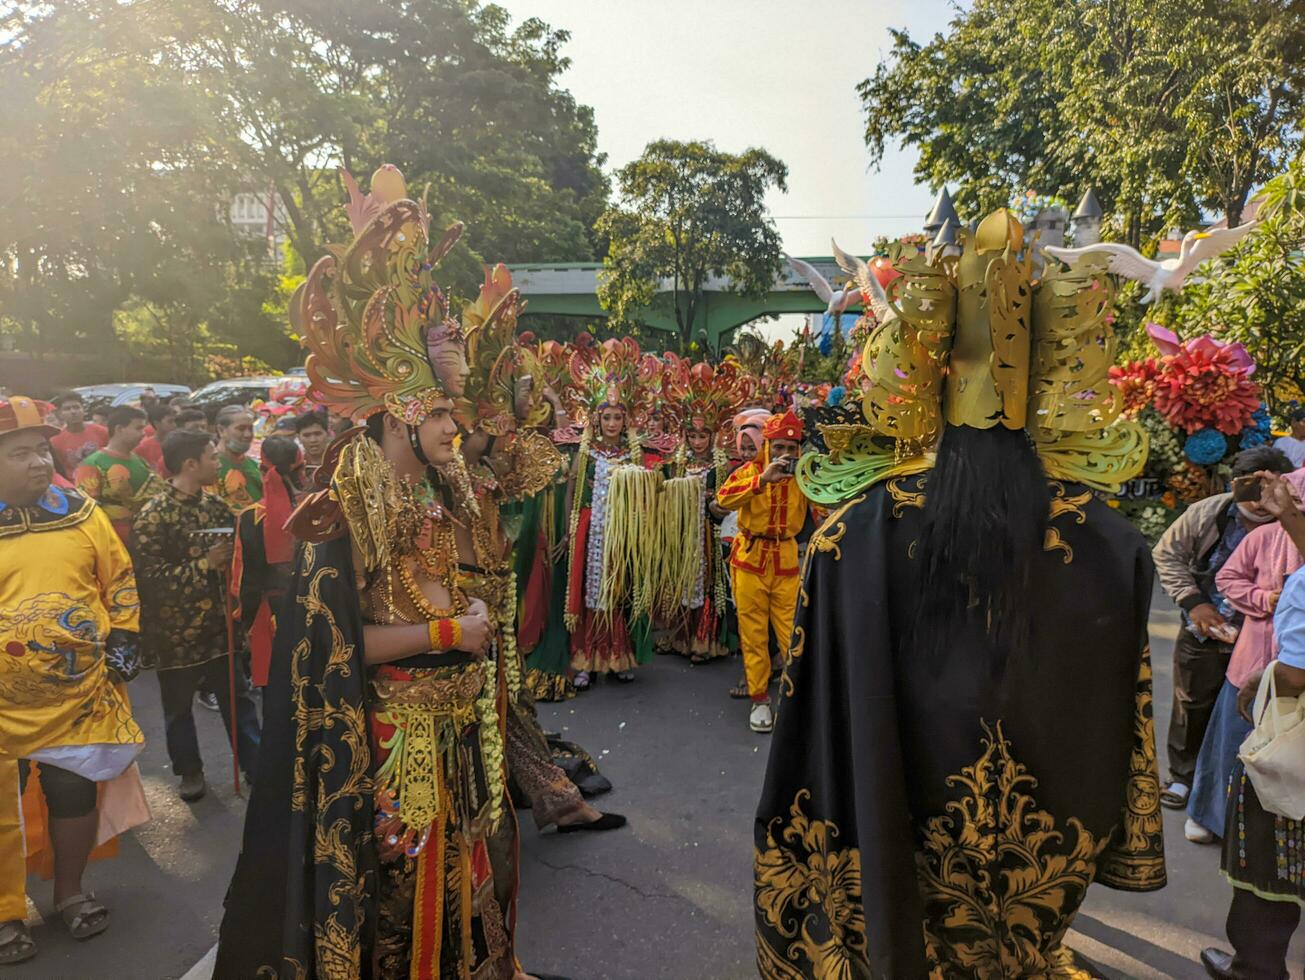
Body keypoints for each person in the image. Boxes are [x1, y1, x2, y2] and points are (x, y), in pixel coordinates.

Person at [755, 211, 1165, 976]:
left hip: (897, 830)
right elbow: (1121, 710)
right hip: (1039, 863)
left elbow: (816, 717)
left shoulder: (854, 535)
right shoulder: (1107, 540)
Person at [216, 167, 544, 979]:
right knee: (400, 897)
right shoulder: (351, 505)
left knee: (463, 879)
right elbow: (337, 646)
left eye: (451, 412)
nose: (452, 426)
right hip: (398, 736)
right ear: (399, 412)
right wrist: (449, 630)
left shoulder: (435, 489)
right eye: (438, 413)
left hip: (459, 721)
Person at [0, 395, 146, 965]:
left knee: (72, 792)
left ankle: (70, 894)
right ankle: (7, 912)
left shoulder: (83, 511)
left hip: (78, 694)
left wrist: (127, 635)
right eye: (20, 453)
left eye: (42, 450)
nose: (38, 462)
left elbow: (119, 577)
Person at [1152, 446, 1294, 832]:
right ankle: (1182, 777)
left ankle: (1227, 794)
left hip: (1262, 643)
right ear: (1234, 484)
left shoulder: (1291, 524)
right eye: (1250, 486)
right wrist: (1193, 602)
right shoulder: (1208, 512)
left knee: (1237, 719)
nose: (1260, 499)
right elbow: (1167, 554)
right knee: (1191, 702)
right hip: (1205, 627)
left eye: (1271, 487)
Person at [1201, 470, 1305, 980]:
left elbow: (1297, 673)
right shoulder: (1267, 541)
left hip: (1291, 737)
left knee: (1268, 864)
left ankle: (1255, 970)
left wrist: (1265, 679)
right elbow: (1227, 579)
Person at [132, 429, 261, 802]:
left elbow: (239, 569)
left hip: (221, 629)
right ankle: (189, 770)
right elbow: (149, 580)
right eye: (212, 457)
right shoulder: (153, 516)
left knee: (240, 701)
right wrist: (203, 564)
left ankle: (254, 765)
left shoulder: (218, 508)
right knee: (177, 710)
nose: (217, 463)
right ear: (190, 464)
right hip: (175, 634)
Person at [1184, 466, 1305, 844]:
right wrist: (1262, 599)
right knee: (1230, 747)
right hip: (1253, 661)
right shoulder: (1264, 537)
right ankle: (1209, 815)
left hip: (1288, 677)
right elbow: (1227, 579)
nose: (1290, 508)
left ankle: (1265, 835)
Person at [562, 340, 661, 689]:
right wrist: (568, 530)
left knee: (618, 591)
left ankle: (617, 656)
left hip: (622, 533)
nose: (613, 422)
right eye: (607, 416)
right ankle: (586, 660)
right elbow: (572, 491)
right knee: (591, 595)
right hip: (591, 533)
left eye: (618, 417)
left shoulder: (634, 454)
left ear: (626, 418)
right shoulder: (586, 452)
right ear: (596, 417)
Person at [716, 408, 809, 733]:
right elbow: (723, 500)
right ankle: (759, 700)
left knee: (793, 633)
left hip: (786, 560)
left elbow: (825, 508)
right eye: (778, 447)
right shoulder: (749, 471)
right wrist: (760, 481)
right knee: (753, 634)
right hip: (751, 560)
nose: (784, 454)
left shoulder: (804, 476)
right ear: (767, 445)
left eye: (790, 448)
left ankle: (798, 699)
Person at [231, 434, 303, 688]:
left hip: (268, 612)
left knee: (277, 689)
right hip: (313, 609)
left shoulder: (252, 516)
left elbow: (246, 578)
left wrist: (245, 621)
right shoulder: (316, 508)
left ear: (262, 469)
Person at [74, 405, 158, 545]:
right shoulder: (92, 464)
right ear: (119, 429)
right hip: (113, 543)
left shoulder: (140, 461)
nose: (144, 433)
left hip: (147, 540)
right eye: (138, 428)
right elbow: (87, 513)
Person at [212, 406, 261, 512]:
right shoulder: (209, 466)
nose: (248, 434)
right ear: (221, 430)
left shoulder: (255, 464)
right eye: (241, 429)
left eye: (250, 429)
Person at [49, 393, 108, 476]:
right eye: (67, 409)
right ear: (60, 413)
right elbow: (59, 471)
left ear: (83, 409)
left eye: (76, 407)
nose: (73, 412)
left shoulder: (102, 432)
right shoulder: (55, 441)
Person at [135, 403, 177, 475]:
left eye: (175, 421)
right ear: (157, 423)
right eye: (170, 421)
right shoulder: (143, 448)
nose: (175, 425)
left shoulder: (180, 444)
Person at [292, 409, 330, 483]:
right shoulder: (295, 466)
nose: (313, 440)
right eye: (307, 435)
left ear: (328, 434)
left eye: (318, 434)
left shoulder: (339, 461)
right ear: (298, 438)